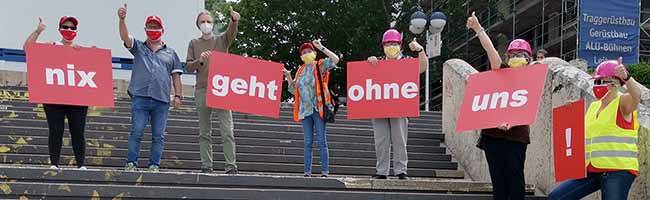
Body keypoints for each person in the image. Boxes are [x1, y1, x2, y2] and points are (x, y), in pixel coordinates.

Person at [548, 58, 641, 200]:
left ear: (615, 84)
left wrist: (627, 78)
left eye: (601, 81)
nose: (597, 85)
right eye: (596, 81)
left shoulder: (622, 103)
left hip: (618, 170)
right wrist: (570, 113)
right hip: (591, 169)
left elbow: (637, 96)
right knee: (556, 197)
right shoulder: (593, 107)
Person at [467, 11, 532, 199]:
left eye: (520, 55)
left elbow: (528, 107)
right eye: (512, 54)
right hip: (493, 136)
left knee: (515, 178)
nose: (515, 58)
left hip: (516, 137)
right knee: (498, 182)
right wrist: (478, 28)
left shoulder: (532, 79)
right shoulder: (501, 70)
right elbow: (490, 50)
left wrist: (512, 121)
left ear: (528, 59)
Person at [117, 4, 184, 172]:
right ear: (146, 29)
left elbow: (176, 75)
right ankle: (131, 162)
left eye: (156, 27)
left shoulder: (171, 53)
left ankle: (154, 164)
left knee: (158, 136)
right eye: (150, 27)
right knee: (137, 131)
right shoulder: (139, 47)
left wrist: (178, 96)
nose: (153, 29)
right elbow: (125, 37)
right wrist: (122, 19)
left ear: (162, 30)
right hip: (140, 97)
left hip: (161, 100)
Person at [23, 16, 88, 170]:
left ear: (76, 31)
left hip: (77, 98)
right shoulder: (51, 46)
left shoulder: (80, 50)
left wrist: (90, 53)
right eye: (65, 27)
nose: (69, 30)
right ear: (60, 29)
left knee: (78, 131)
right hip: (54, 97)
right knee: (56, 130)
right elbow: (27, 49)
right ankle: (54, 163)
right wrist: (38, 31)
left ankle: (81, 164)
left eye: (72, 28)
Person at [365, 29, 429, 180]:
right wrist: (369, 62)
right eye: (388, 44)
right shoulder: (378, 62)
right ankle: (382, 171)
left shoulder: (407, 61)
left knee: (400, 139)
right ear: (383, 46)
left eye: (394, 43)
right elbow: (365, 76)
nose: (391, 46)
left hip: (400, 108)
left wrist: (420, 49)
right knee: (381, 141)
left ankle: (401, 170)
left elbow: (422, 67)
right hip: (379, 108)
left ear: (400, 46)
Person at [185, 9, 241, 174]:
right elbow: (188, 66)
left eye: (208, 21)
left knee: (227, 130)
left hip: (222, 88)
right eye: (202, 22)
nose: (206, 24)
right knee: (204, 131)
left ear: (213, 23)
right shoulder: (194, 43)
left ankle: (231, 165)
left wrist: (234, 20)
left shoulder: (221, 40)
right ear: (198, 25)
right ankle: (206, 164)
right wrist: (199, 61)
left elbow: (231, 33)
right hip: (202, 88)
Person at [283, 40, 339, 177]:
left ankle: (325, 171)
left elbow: (335, 59)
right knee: (307, 142)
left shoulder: (320, 65)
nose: (306, 54)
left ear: (314, 53)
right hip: (305, 111)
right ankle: (307, 171)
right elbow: (293, 90)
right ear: (301, 56)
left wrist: (321, 47)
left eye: (309, 51)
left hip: (318, 108)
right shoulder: (300, 70)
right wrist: (288, 76)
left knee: (321, 140)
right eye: (304, 53)